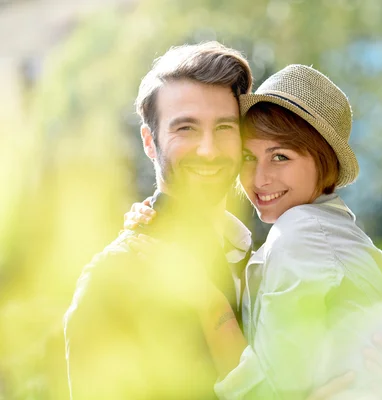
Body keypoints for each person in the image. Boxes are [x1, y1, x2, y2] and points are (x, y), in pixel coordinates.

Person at [127, 65, 382, 399]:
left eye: (280, 157)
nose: (259, 179)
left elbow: (263, 393)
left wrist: (203, 293)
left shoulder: (301, 232)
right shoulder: (329, 230)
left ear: (323, 160)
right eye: (247, 157)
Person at [63, 41, 254, 400]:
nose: (209, 150)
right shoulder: (113, 278)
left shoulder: (258, 255)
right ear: (150, 142)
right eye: (186, 129)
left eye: (225, 128)